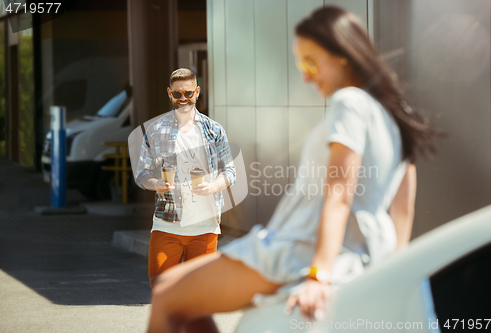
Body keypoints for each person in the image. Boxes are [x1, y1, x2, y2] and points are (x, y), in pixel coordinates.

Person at [146, 6, 435, 332]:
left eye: (311, 62)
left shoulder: (349, 103)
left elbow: (339, 193)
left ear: (342, 55)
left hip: (297, 250)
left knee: (167, 297)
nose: (305, 76)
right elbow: (402, 209)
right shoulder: (396, 114)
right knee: (176, 293)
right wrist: (395, 276)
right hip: (353, 253)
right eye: (301, 64)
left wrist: (319, 274)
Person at [135, 68, 236, 289]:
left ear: (197, 92)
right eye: (178, 94)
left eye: (188, 93)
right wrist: (155, 184)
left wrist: (212, 186)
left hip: (205, 225)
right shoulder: (155, 129)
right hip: (166, 222)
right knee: (160, 287)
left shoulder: (214, 130)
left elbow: (230, 171)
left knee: (200, 291)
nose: (183, 99)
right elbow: (142, 173)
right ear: (169, 93)